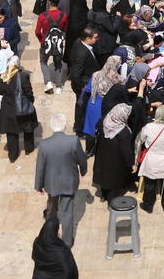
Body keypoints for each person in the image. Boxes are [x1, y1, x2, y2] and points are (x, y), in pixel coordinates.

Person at [35, 112, 88, 246]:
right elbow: (82, 159)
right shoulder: (73, 141)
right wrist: (83, 170)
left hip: (51, 182)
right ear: (64, 126)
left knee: (52, 207)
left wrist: (38, 185)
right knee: (67, 212)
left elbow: (40, 166)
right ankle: (67, 242)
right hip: (69, 182)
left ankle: (50, 235)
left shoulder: (44, 144)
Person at [135, 103, 164, 214]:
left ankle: (148, 205)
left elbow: (139, 141)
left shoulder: (148, 127)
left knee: (150, 183)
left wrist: (136, 159)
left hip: (152, 160)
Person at [93, 101, 136, 201]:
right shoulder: (123, 132)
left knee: (104, 176)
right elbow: (126, 151)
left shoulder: (104, 120)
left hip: (102, 155)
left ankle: (103, 195)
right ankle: (112, 201)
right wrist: (132, 164)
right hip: (115, 161)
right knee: (113, 181)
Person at [0, 60, 39, 162]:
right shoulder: (23, 76)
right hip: (22, 109)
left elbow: (0, 91)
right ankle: (29, 149)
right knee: (28, 129)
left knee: (11, 134)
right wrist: (31, 101)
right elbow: (28, 92)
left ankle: (13, 156)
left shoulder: (2, 76)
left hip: (8, 109)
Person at [68, 28, 99, 138]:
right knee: (82, 107)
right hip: (83, 85)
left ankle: (78, 125)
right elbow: (75, 74)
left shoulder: (79, 42)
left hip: (84, 81)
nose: (97, 39)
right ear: (87, 38)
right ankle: (80, 130)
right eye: (95, 38)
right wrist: (82, 87)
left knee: (80, 106)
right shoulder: (82, 53)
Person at [31, 208, 80, 279]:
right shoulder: (62, 252)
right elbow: (70, 271)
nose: (60, 232)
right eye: (58, 230)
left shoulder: (37, 244)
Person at [35, 0, 69, 94]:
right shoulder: (64, 15)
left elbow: (37, 31)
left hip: (45, 42)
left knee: (43, 61)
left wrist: (42, 40)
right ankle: (59, 86)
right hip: (58, 43)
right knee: (58, 64)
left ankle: (48, 82)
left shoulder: (42, 16)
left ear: (49, 2)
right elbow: (64, 30)